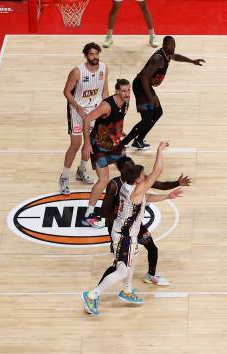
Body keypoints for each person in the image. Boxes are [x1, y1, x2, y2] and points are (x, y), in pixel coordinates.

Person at [82, 141, 183, 316]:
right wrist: (159, 150)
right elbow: (157, 171)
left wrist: (167, 196)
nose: (146, 176)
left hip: (128, 233)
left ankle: (127, 291)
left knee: (134, 257)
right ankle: (92, 295)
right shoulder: (134, 191)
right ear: (137, 180)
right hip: (124, 235)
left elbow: (147, 197)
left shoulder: (130, 187)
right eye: (143, 175)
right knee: (122, 271)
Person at [98, 156, 191, 286]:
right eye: (128, 167)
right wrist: (119, 216)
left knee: (152, 249)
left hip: (132, 225)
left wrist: (176, 184)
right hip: (120, 227)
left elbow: (156, 186)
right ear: (122, 170)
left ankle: (147, 277)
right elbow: (103, 212)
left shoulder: (135, 181)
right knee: (119, 266)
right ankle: (97, 290)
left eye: (133, 165)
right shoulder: (116, 185)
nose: (132, 168)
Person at [120, 36, 205, 150]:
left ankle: (139, 140)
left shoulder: (167, 54)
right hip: (141, 86)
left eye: (174, 45)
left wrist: (192, 61)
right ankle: (123, 144)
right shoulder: (158, 59)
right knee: (146, 119)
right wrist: (150, 96)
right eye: (171, 45)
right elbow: (144, 77)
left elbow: (176, 57)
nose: (173, 47)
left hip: (147, 86)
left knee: (157, 112)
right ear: (165, 45)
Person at [59, 42, 109, 194]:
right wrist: (78, 107)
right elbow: (66, 92)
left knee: (91, 143)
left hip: (94, 111)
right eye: (91, 54)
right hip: (77, 111)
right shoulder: (77, 72)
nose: (95, 57)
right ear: (86, 56)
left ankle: (81, 171)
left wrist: (106, 108)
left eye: (96, 54)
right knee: (76, 144)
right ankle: (64, 177)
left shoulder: (104, 69)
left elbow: (104, 90)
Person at [81, 79, 131, 228]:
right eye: (123, 91)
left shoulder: (126, 102)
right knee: (103, 180)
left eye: (128, 90)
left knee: (129, 171)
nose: (127, 93)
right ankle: (88, 215)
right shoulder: (106, 106)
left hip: (113, 145)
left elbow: (118, 120)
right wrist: (87, 143)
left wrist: (120, 133)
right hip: (98, 147)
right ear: (117, 91)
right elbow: (87, 119)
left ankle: (127, 204)